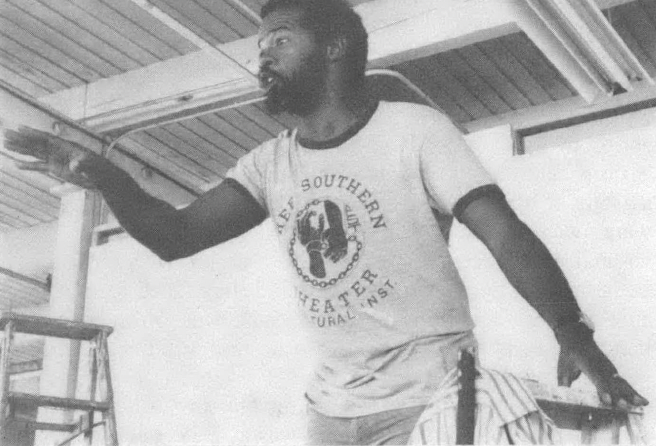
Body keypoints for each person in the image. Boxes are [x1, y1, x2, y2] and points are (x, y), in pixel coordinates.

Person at [3, 0, 648, 443]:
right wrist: (96, 170)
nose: (265, 57)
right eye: (261, 45)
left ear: (335, 47)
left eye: (281, 40)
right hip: (332, 413)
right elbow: (175, 237)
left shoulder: (412, 131)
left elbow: (501, 229)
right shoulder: (268, 164)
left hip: (427, 394)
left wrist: (574, 333)